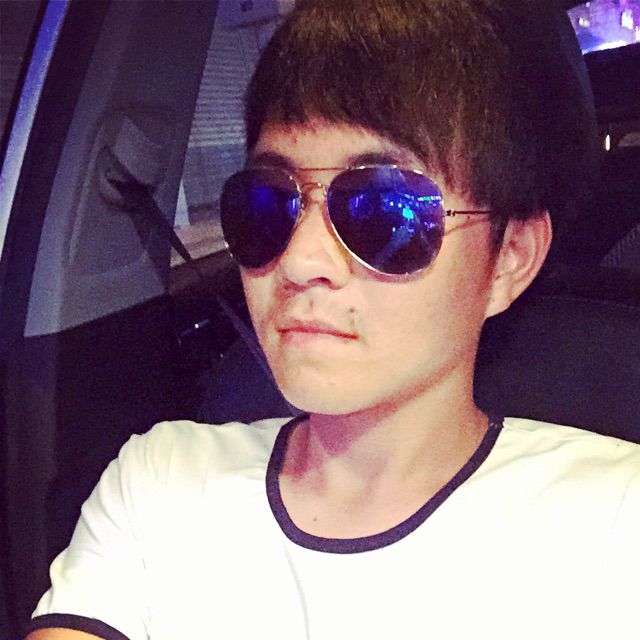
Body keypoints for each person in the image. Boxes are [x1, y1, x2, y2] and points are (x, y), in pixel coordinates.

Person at [26, 1, 639, 639]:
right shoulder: (159, 482)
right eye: (268, 204)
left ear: (510, 258)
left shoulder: (616, 523)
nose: (301, 260)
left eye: (386, 210)